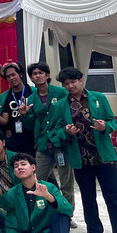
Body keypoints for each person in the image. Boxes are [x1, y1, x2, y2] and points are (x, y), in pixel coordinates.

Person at [49, 66, 117, 233]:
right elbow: (54, 132)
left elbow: (112, 121)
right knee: (87, 195)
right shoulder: (60, 105)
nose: (70, 86)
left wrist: (104, 126)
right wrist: (66, 132)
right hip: (80, 157)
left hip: (103, 156)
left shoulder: (98, 98)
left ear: (81, 81)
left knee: (113, 195)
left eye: (73, 82)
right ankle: (94, 230)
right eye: (66, 84)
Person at [26, 62, 75, 217]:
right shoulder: (31, 98)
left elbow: (70, 114)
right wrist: (24, 114)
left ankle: (67, 213)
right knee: (37, 179)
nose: (38, 76)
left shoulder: (61, 92)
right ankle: (40, 212)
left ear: (47, 75)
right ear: (31, 78)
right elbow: (31, 124)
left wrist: (65, 132)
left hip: (62, 142)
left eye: (41, 72)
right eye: (34, 74)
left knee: (66, 181)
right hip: (43, 144)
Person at [0, 62, 36, 154]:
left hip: (32, 137)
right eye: (8, 76)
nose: (11, 78)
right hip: (14, 140)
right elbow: (4, 120)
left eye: (13, 74)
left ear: (21, 74)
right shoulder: (5, 96)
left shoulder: (33, 92)